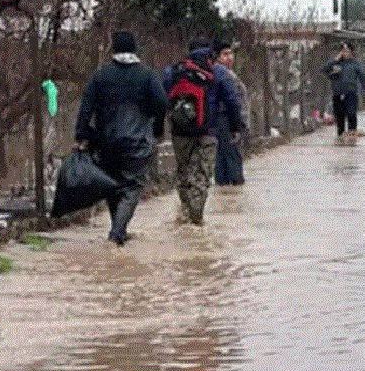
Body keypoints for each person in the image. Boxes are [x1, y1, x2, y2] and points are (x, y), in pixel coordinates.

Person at [74, 31, 168, 246]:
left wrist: (82, 135)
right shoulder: (146, 75)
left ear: (113, 49)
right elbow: (162, 104)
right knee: (133, 186)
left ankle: (118, 229)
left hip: (105, 142)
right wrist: (156, 127)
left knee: (112, 184)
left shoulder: (100, 76)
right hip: (137, 142)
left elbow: (85, 108)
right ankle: (117, 232)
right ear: (135, 49)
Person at [163, 37, 245, 225]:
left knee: (184, 172)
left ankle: (185, 213)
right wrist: (235, 127)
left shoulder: (174, 71)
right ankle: (196, 219)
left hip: (180, 132)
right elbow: (233, 101)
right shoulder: (218, 72)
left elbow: (161, 98)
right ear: (210, 53)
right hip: (208, 132)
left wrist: (160, 128)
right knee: (202, 175)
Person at [213, 40, 247, 186]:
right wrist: (237, 125)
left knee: (224, 160)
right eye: (225, 54)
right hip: (226, 121)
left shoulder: (229, 74)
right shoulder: (221, 74)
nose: (230, 57)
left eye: (231, 53)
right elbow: (233, 102)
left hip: (228, 121)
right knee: (231, 161)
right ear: (217, 57)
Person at [323, 43, 365, 138]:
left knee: (351, 113)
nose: (345, 53)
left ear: (351, 52)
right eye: (343, 51)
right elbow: (324, 70)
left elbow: (363, 77)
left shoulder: (355, 64)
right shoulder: (335, 63)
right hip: (337, 93)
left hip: (351, 93)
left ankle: (352, 135)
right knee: (340, 116)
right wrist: (334, 60)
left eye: (347, 51)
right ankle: (340, 137)